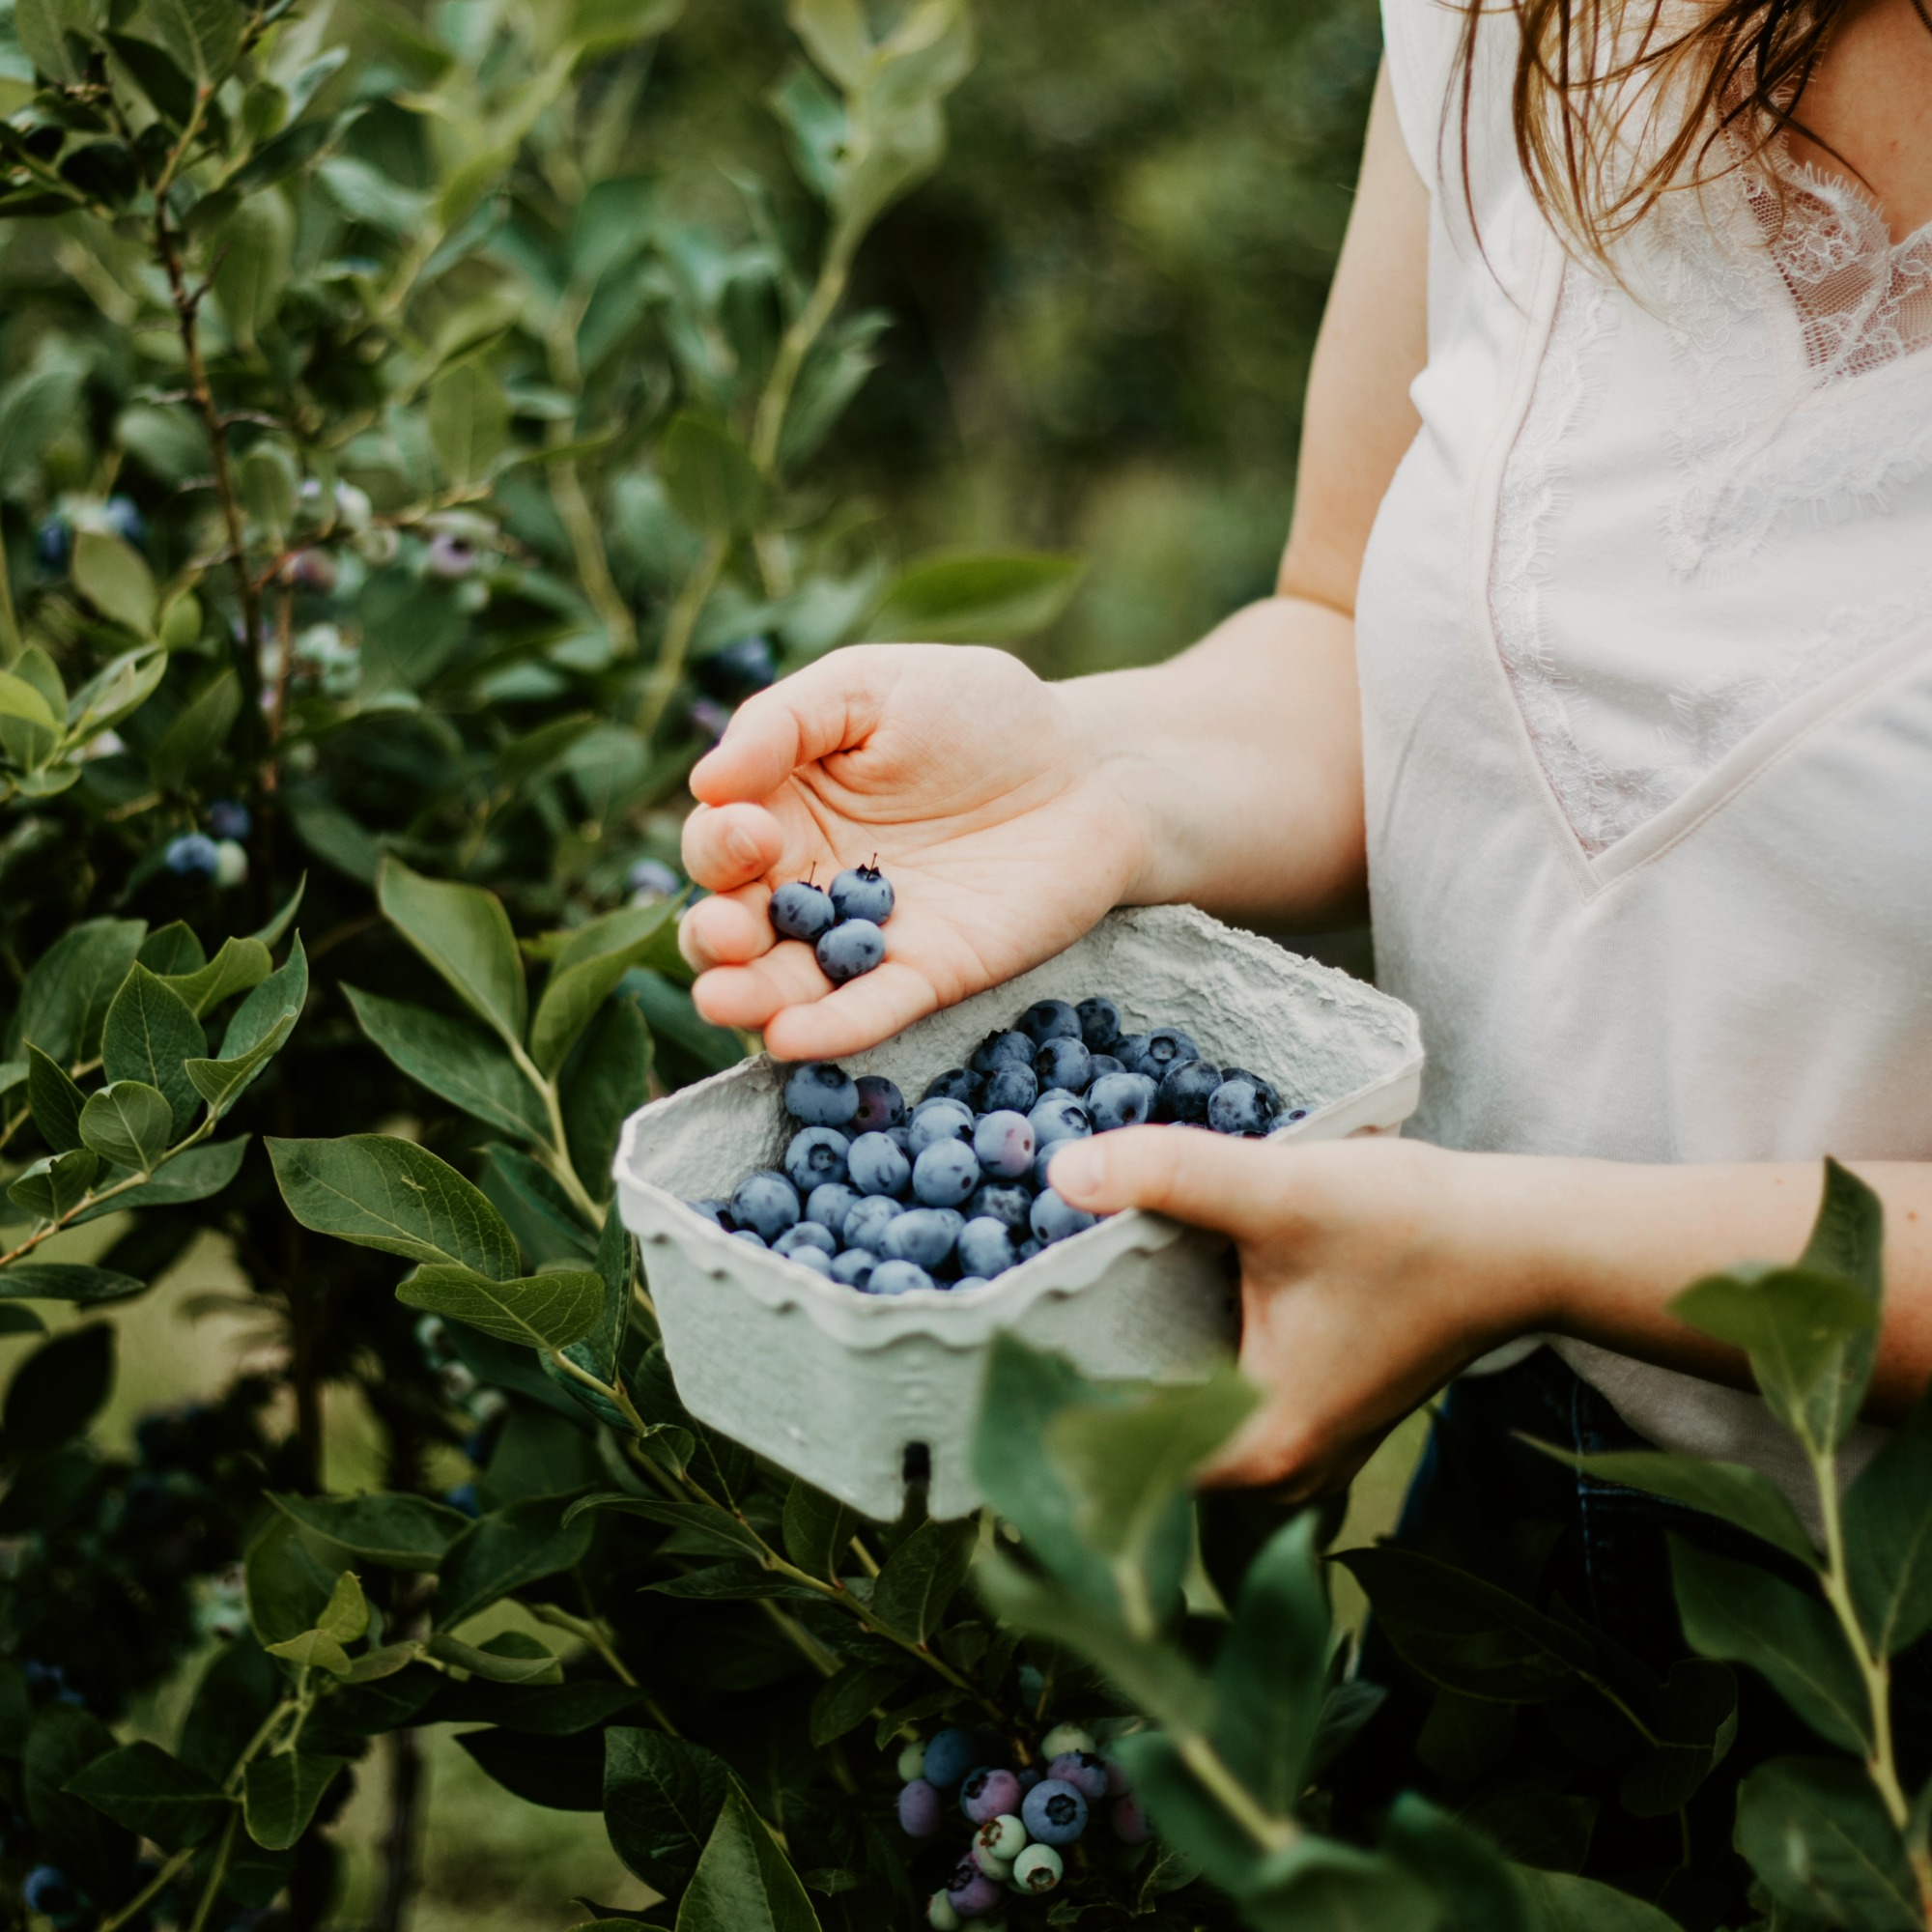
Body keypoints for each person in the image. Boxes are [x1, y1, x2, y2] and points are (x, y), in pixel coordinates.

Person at [679, 0, 1932, 1674]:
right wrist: (1100, 771)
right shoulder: (1521, 23)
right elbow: (1350, 626)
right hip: (1506, 1530)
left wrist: (1525, 1247)